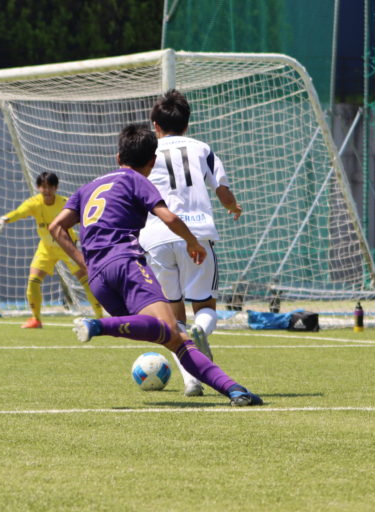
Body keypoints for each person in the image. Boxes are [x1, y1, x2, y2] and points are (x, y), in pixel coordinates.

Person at [49, 123, 262, 406]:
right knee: (169, 328)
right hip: (126, 264)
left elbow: (56, 227)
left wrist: (84, 263)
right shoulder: (136, 179)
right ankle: (97, 325)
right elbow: (168, 217)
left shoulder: (87, 187)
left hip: (99, 281)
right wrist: (192, 242)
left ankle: (235, 390)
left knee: (171, 336)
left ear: (117, 156)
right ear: (152, 162)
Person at [138, 89, 242, 397]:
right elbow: (221, 189)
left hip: (156, 236)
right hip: (196, 235)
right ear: (186, 124)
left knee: (173, 315)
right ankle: (202, 330)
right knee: (205, 305)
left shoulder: (147, 150)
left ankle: (191, 381)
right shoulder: (202, 149)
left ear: (155, 125)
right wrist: (232, 206)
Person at [0, 172, 103, 328]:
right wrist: (4, 219)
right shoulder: (34, 203)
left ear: (56, 188)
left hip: (67, 247)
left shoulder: (65, 203)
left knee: (87, 281)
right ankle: (36, 319)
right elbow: (19, 213)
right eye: (43, 187)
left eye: (50, 187)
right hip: (46, 248)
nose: (47, 191)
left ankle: (100, 318)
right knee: (33, 281)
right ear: (38, 188)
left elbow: (84, 219)